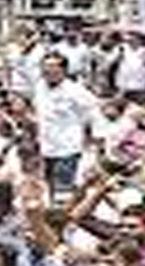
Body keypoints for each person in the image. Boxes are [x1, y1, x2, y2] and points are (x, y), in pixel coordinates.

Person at [33, 51, 98, 195]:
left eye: (53, 66)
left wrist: (91, 139)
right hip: (45, 148)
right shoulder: (39, 87)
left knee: (63, 193)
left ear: (63, 70)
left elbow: (93, 113)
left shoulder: (75, 90)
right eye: (45, 66)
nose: (48, 70)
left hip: (67, 150)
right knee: (47, 190)